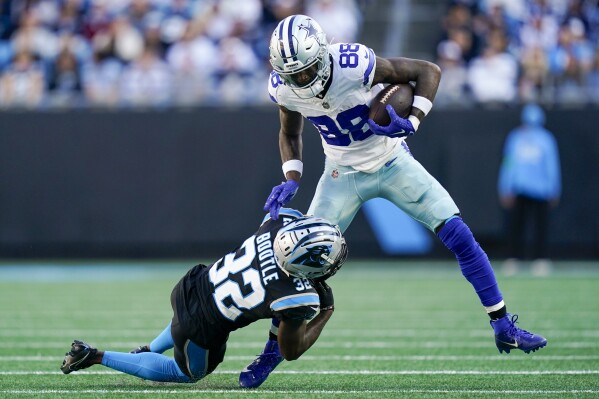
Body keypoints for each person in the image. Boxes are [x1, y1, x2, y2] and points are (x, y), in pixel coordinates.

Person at [240, 14, 548, 389]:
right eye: (294, 74)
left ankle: (502, 324)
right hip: (340, 174)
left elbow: (428, 71)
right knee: (298, 264)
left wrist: (414, 119)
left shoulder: (352, 64)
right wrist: (292, 176)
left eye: (306, 71)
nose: (301, 80)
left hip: (392, 161)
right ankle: (272, 351)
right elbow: (290, 130)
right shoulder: (284, 87)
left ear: (321, 56)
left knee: (459, 234)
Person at [60, 209, 348, 386]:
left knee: (188, 321)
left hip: (194, 283)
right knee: (189, 374)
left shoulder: (277, 222)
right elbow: (291, 351)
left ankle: (149, 347)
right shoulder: (295, 298)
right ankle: (95, 356)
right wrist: (327, 311)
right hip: (202, 324)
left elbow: (280, 274)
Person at [498, 103, 561, 275]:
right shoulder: (515, 138)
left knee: (540, 227)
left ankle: (540, 259)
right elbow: (508, 164)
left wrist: (554, 188)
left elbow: (551, 166)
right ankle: (513, 259)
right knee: (517, 226)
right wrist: (505, 187)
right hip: (520, 189)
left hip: (540, 191)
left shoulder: (546, 139)